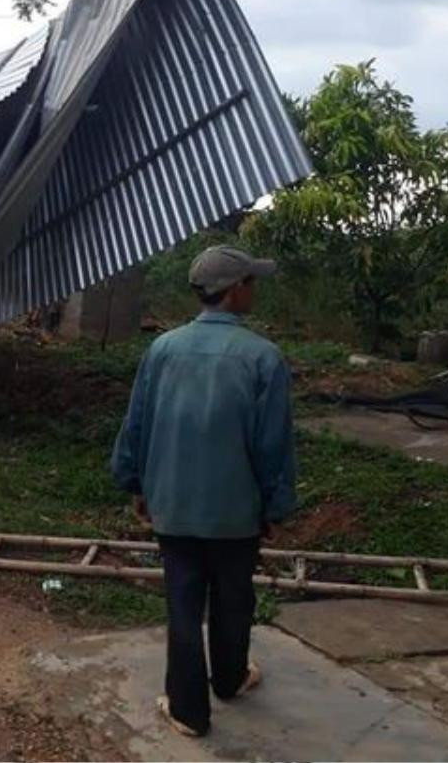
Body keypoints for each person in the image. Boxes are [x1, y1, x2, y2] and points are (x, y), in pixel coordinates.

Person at [110, 245, 297, 738]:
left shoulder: (163, 349)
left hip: (173, 505)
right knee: (236, 600)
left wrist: (134, 482)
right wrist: (275, 506)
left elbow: (138, 425)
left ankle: (189, 712)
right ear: (234, 290)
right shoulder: (264, 358)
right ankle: (230, 679)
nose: (255, 289)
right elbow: (272, 446)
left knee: (184, 606)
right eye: (252, 282)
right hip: (236, 514)